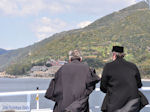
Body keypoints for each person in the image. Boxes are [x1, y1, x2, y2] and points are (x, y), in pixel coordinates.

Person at [100, 46, 144, 112]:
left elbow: (103, 87)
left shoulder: (108, 66)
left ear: (114, 55)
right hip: (133, 103)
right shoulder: (133, 66)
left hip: (115, 103)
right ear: (123, 55)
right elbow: (139, 85)